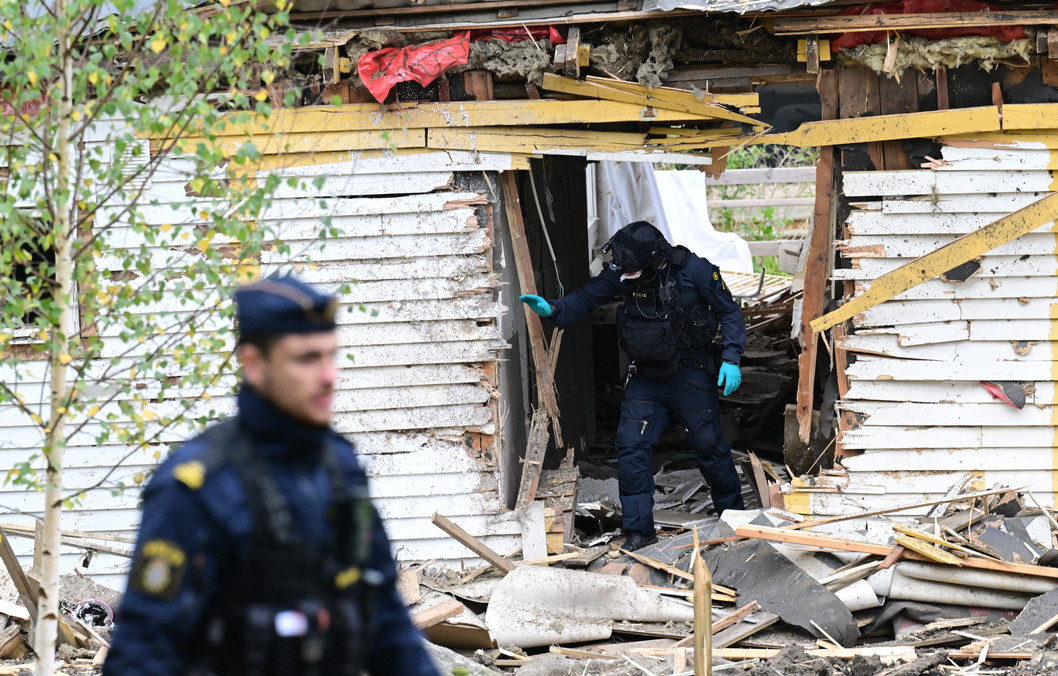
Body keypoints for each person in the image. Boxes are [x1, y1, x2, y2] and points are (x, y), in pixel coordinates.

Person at [104, 277, 438, 676]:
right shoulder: (197, 488)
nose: (330, 375)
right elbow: (142, 653)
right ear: (254, 364)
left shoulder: (339, 467)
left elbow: (386, 619)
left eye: (332, 356)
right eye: (307, 358)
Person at [520, 221, 747, 551]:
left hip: (690, 374)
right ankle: (639, 530)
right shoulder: (623, 269)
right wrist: (554, 308)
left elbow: (730, 312)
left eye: (629, 267)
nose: (622, 273)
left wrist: (732, 357)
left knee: (709, 445)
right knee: (630, 447)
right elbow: (587, 298)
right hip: (647, 378)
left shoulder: (694, 271)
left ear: (653, 260)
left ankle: (734, 518)